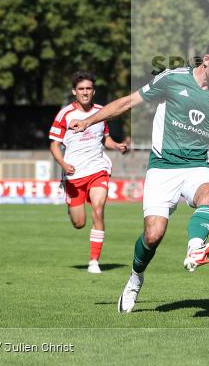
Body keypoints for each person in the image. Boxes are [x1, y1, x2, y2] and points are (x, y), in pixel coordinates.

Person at [69, 38, 209, 314]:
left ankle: (196, 248)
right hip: (162, 168)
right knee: (153, 235)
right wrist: (88, 121)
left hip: (196, 165)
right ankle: (135, 279)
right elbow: (128, 102)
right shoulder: (172, 79)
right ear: (206, 60)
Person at [49, 70, 129, 274]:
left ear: (94, 91)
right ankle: (72, 205)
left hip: (97, 168)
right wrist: (63, 165)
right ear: (74, 92)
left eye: (89, 88)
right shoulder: (65, 114)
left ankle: (94, 261)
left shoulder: (102, 112)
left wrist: (117, 145)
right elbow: (54, 146)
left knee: (98, 209)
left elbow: (105, 138)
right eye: (81, 89)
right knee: (79, 223)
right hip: (74, 174)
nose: (85, 92)